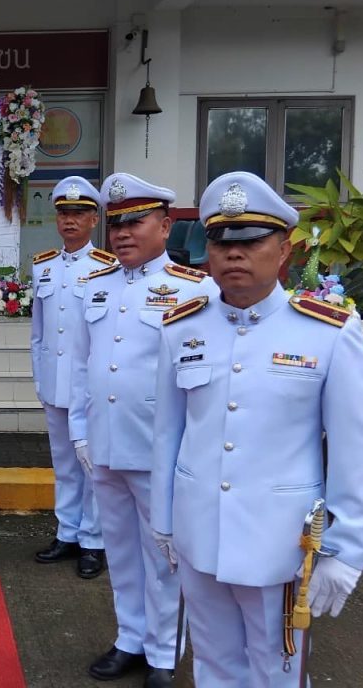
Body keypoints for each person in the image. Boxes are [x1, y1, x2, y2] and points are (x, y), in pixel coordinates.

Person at [151, 171, 363, 687]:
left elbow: (356, 453)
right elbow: (168, 434)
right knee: (212, 666)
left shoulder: (327, 332)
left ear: (283, 250)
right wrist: (164, 522)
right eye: (220, 242)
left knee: (277, 670)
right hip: (198, 532)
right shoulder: (182, 326)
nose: (234, 253)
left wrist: (344, 551)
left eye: (252, 241)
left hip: (280, 545)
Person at [68, 172, 217, 688]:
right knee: (121, 550)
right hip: (105, 444)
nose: (123, 233)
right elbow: (81, 366)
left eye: (136, 222)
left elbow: (204, 381)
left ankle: (163, 652)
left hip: (160, 450)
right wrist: (79, 432)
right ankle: (130, 637)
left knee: (165, 557)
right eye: (116, 224)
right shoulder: (95, 286)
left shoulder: (194, 290)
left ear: (165, 225)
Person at [31, 176, 113, 578]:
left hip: (90, 387)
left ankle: (93, 540)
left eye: (79, 213)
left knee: (92, 466)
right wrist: (40, 379)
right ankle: (67, 532)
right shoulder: (43, 266)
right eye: (64, 212)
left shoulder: (107, 269)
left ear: (94, 219)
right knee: (63, 464)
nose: (70, 220)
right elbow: (38, 333)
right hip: (54, 383)